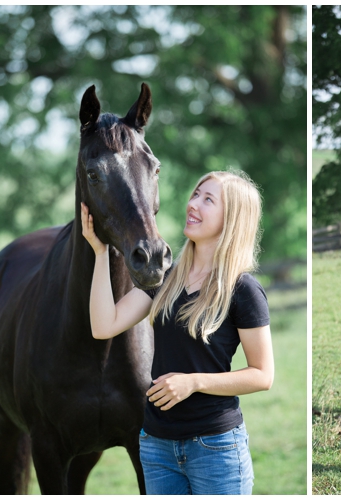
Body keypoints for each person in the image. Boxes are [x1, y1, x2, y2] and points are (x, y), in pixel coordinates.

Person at [82, 170, 273, 495]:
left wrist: (194, 381)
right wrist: (101, 253)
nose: (193, 204)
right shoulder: (165, 278)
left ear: (232, 218)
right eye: (196, 194)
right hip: (156, 446)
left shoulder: (243, 289)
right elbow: (103, 325)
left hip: (215, 448)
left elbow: (262, 375)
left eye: (208, 199)